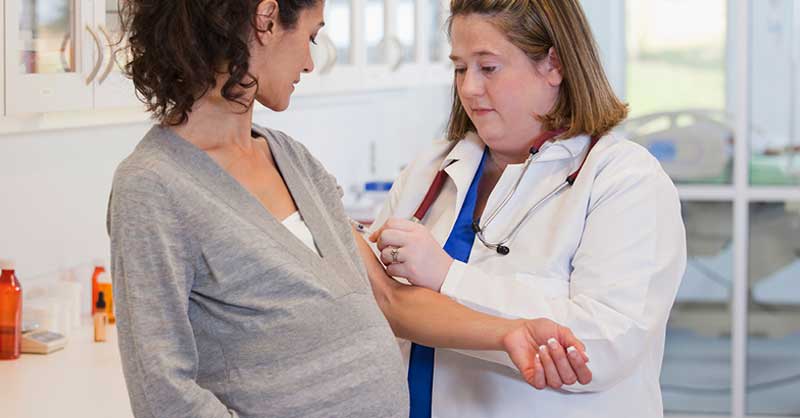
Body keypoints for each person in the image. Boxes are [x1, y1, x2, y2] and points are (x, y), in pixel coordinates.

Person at [107, 1, 590, 417]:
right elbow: (162, 396)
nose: (311, 63)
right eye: (312, 36)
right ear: (267, 19)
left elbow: (387, 298)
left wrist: (511, 332)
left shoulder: (289, 158)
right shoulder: (153, 186)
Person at [368, 0, 687, 417]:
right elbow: (374, 301)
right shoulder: (431, 170)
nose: (469, 88)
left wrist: (448, 277)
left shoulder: (624, 179)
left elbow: (604, 344)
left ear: (553, 64)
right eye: (460, 68)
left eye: (488, 67)